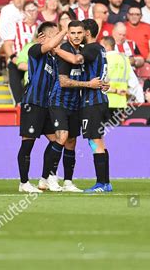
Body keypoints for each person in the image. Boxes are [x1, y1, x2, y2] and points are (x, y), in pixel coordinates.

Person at [42, 20, 99, 192]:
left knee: (71, 142)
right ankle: (51, 177)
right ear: (68, 34)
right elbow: (64, 81)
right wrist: (89, 85)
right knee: (62, 136)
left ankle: (67, 181)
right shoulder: (65, 50)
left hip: (75, 104)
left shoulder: (80, 52)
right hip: (59, 101)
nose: (76, 36)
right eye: (72, 33)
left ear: (84, 34)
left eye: (79, 33)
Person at [17, 22, 69, 193]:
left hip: (46, 106)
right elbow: (51, 44)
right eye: (54, 34)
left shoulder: (53, 59)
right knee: (27, 144)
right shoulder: (35, 50)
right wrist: (66, 29)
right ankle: (24, 182)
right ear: (44, 37)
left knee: (56, 140)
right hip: (32, 103)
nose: (58, 38)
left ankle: (45, 178)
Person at [79, 19, 112, 193]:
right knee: (100, 141)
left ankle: (101, 183)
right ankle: (106, 182)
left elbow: (77, 59)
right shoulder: (100, 48)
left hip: (92, 100)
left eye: (80, 31)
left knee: (95, 141)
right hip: (101, 99)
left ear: (87, 32)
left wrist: (56, 49)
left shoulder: (90, 49)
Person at [3, 1, 39, 104]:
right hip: (17, 59)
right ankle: (18, 103)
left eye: (34, 10)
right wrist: (14, 58)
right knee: (14, 72)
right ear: (23, 12)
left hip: (34, 61)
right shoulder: (15, 25)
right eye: (29, 10)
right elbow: (7, 44)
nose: (31, 13)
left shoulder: (40, 26)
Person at [101, 35, 130, 120]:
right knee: (118, 132)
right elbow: (131, 79)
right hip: (121, 101)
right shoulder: (124, 58)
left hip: (106, 99)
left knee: (104, 131)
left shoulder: (104, 59)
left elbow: (102, 82)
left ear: (107, 46)